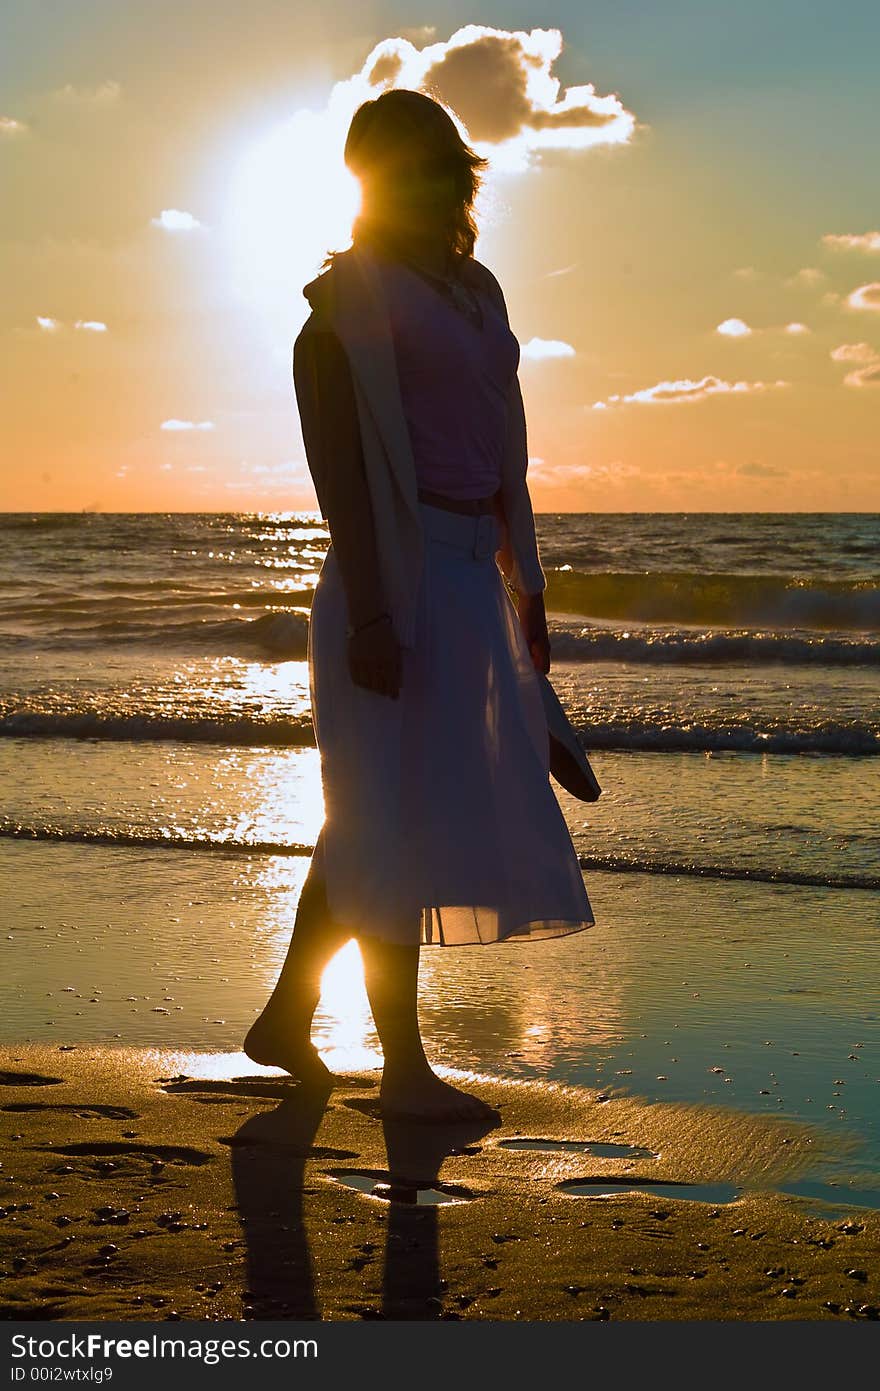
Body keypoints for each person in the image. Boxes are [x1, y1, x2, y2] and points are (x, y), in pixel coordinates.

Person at [245, 88, 594, 1122]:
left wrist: (523, 586)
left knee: (385, 819)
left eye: (444, 163)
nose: (435, 182)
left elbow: (502, 451)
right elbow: (340, 470)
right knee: (384, 820)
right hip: (388, 580)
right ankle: (401, 1067)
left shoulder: (476, 289)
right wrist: (369, 617)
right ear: (371, 182)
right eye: (409, 167)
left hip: (467, 573)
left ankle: (284, 1014)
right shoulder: (345, 303)